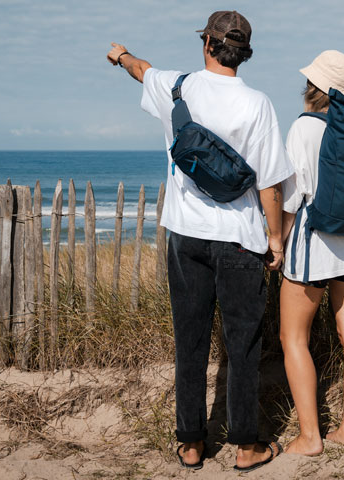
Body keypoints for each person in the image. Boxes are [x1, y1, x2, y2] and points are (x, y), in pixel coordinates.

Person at [106, 10, 290, 472]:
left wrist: (120, 54)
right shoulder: (258, 104)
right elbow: (270, 185)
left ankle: (190, 443)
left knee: (189, 341)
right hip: (241, 239)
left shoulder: (176, 88)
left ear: (207, 43)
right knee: (242, 343)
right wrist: (276, 238)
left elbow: (140, 69)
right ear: (242, 51)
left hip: (185, 236)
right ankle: (246, 447)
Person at [277, 50, 344, 456]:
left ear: (312, 87)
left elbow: (292, 195)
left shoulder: (305, 128)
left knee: (293, 337)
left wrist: (277, 242)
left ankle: (310, 437)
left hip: (312, 244)